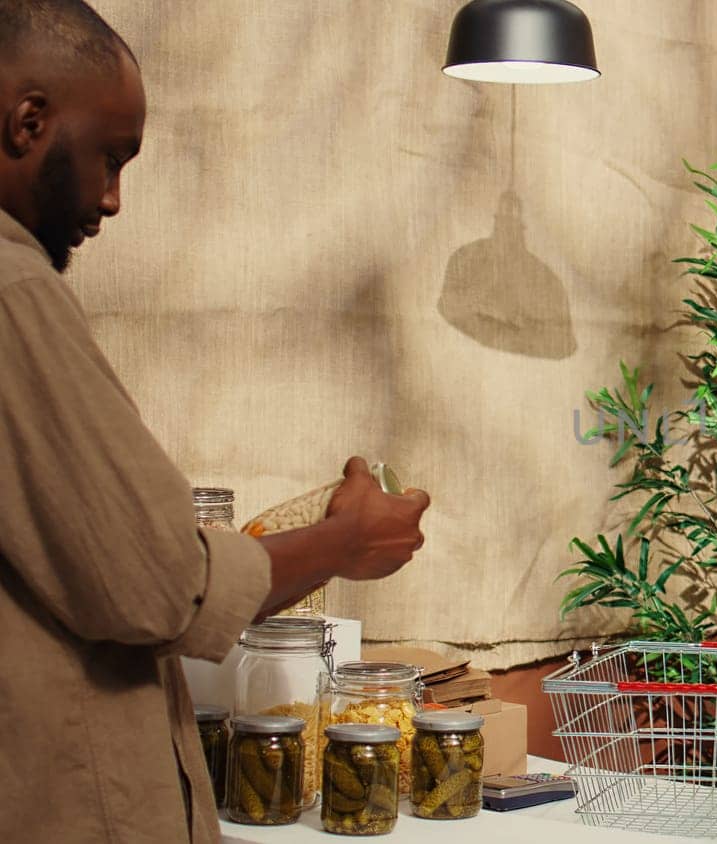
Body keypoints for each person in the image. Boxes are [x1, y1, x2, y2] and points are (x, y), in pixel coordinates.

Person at [0, 1, 431, 840]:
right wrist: (342, 544)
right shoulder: (15, 294)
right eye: (109, 158)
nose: (113, 199)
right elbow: (156, 585)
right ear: (28, 122)